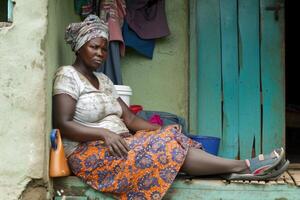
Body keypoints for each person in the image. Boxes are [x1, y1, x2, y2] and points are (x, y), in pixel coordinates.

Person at [52, 15, 289, 200]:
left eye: (104, 49)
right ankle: (242, 166)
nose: (101, 54)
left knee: (171, 137)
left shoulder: (104, 81)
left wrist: (162, 129)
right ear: (80, 46)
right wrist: (104, 133)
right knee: (164, 147)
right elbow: (63, 123)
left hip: (120, 144)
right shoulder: (67, 76)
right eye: (94, 47)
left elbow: (131, 121)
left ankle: (232, 169)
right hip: (90, 155)